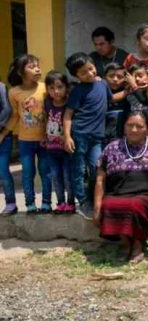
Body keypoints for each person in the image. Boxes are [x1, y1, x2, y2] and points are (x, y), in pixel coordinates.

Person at [92, 112, 148, 264]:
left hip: (147, 195)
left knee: (134, 205)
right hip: (117, 193)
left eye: (139, 126)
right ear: (124, 127)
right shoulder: (111, 148)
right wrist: (97, 207)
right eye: (130, 125)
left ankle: (137, 245)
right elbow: (100, 178)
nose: (134, 129)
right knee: (109, 204)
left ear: (147, 129)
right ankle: (125, 243)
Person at [64, 53, 127, 217]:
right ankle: (83, 201)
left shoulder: (103, 84)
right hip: (80, 134)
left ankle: (93, 198)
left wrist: (129, 90)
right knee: (78, 169)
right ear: (76, 76)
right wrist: (67, 136)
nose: (90, 74)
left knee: (96, 168)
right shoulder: (78, 90)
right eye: (83, 72)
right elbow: (68, 114)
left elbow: (112, 99)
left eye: (91, 69)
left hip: (97, 137)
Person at [5, 54, 50, 214]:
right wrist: (4, 132)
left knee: (46, 172)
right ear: (20, 72)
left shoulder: (46, 88)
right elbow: (15, 115)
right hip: (25, 142)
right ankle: (30, 203)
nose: (37, 69)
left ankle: (46, 203)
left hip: (46, 141)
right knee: (27, 173)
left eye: (37, 65)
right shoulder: (14, 92)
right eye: (32, 66)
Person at [43, 71, 74, 214]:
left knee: (68, 177)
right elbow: (46, 119)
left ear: (66, 87)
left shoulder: (70, 104)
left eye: (59, 87)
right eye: (51, 88)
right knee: (55, 176)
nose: (56, 91)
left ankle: (70, 202)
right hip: (51, 148)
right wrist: (44, 135)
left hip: (66, 149)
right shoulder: (47, 103)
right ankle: (60, 202)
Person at [102, 63, 128, 146]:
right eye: (111, 76)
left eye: (119, 77)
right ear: (104, 77)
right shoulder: (99, 92)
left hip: (122, 140)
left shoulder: (130, 96)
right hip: (101, 139)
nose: (115, 79)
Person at [0, 73, 14, 216]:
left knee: (3, 171)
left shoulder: (1, 87)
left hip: (2, 136)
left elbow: (7, 110)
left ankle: (10, 203)